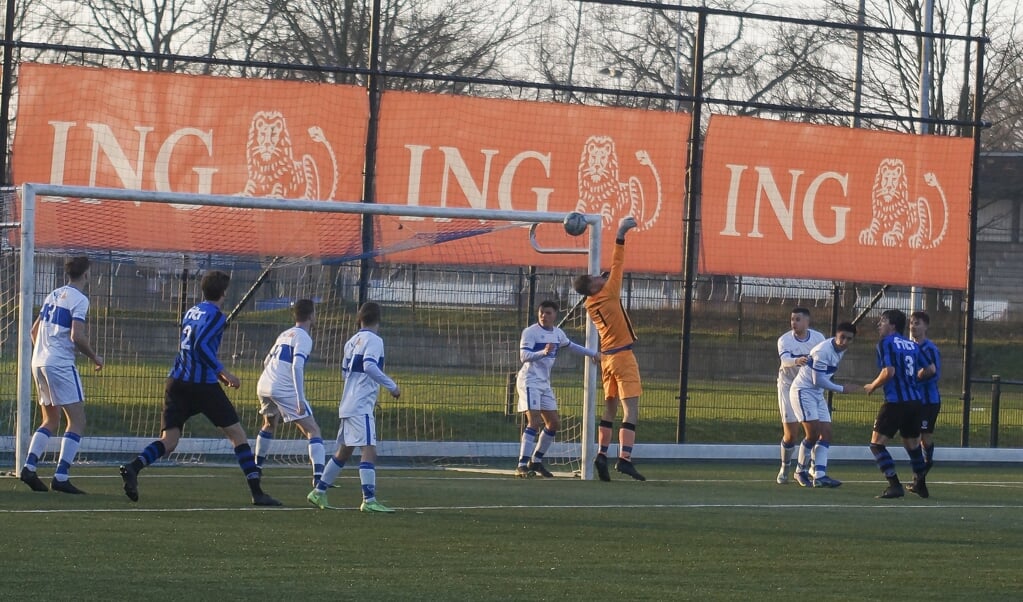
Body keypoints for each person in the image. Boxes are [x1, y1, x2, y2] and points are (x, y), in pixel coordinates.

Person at [119, 270, 281, 506]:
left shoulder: (191, 311)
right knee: (237, 435)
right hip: (202, 385)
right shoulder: (217, 316)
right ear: (224, 292)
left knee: (169, 441)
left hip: (176, 381)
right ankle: (257, 493)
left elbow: (191, 345)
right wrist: (223, 371)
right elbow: (201, 345)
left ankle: (134, 467)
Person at [20, 256, 104, 494]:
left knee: (50, 419)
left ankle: (29, 467)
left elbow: (34, 331)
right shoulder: (80, 299)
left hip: (39, 361)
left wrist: (44, 352)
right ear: (86, 274)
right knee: (77, 420)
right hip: (59, 364)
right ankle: (61, 476)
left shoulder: (54, 294)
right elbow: (76, 336)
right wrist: (95, 357)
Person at [571, 216, 646, 482]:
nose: (598, 277)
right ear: (592, 287)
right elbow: (618, 262)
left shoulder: (591, 305)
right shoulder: (609, 292)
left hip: (607, 359)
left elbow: (604, 283)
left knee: (609, 408)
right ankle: (624, 459)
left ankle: (602, 454)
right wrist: (621, 233)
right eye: (594, 278)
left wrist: (602, 282)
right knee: (631, 410)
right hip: (623, 357)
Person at [307, 302, 400, 512]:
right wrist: (392, 386)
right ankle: (369, 500)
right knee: (369, 450)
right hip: (360, 404)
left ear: (360, 318)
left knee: (344, 451)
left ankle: (318, 492)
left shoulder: (351, 341)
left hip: (348, 401)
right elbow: (369, 365)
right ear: (379, 319)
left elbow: (344, 372)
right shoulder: (375, 340)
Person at [514, 300, 601, 478]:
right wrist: (542, 353)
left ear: (555, 315)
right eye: (541, 312)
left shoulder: (558, 334)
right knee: (534, 421)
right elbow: (524, 356)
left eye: (548, 313)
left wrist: (594, 354)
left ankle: (536, 461)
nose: (544, 316)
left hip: (544, 383)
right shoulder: (530, 332)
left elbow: (572, 346)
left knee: (553, 423)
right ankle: (522, 465)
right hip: (529, 381)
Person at [864, 309, 936, 499]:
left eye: (883, 321)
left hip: (896, 402)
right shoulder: (912, 345)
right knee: (912, 445)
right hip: (915, 401)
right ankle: (920, 483)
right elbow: (930, 369)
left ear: (892, 325)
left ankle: (894, 485)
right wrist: (913, 380)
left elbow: (889, 372)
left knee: (876, 444)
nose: (879, 325)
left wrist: (873, 385)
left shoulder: (886, 343)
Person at [254, 299, 326, 486]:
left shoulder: (285, 334)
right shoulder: (303, 337)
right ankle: (319, 479)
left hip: (264, 383)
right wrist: (300, 399)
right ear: (311, 315)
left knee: (269, 423)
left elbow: (265, 361)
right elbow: (297, 365)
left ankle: (256, 468)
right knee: (313, 429)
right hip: (282, 387)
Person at [788, 321, 857, 488]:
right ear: (836, 335)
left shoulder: (841, 350)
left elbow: (821, 380)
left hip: (817, 394)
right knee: (812, 434)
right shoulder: (822, 351)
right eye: (842, 337)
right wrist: (842, 389)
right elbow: (817, 380)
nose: (845, 342)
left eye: (849, 339)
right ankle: (799, 471)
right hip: (803, 392)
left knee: (825, 433)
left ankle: (819, 474)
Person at [774, 307, 825, 485]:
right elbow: (785, 361)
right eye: (792, 319)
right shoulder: (785, 340)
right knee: (791, 434)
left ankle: (806, 468)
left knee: (814, 430)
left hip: (808, 389)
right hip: (788, 387)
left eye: (797, 319)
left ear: (807, 322)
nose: (793, 323)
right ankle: (785, 466)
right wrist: (797, 360)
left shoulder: (818, 338)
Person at [910, 311, 941, 476]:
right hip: (913, 400)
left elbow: (934, 373)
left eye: (917, 323)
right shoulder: (909, 347)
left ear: (926, 326)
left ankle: (924, 466)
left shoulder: (930, 349)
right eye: (912, 323)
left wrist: (917, 377)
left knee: (923, 436)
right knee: (915, 435)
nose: (913, 326)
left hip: (928, 400)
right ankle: (921, 469)